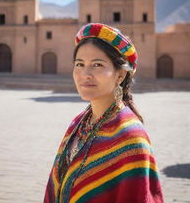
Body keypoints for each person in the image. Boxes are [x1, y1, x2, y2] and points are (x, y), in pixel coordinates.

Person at [44, 23, 164, 203]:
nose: (85, 74)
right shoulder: (79, 123)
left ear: (120, 75)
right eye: (79, 64)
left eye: (97, 64)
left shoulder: (131, 138)